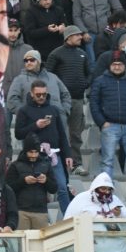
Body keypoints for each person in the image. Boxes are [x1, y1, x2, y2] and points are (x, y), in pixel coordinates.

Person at [90, 51, 126, 201]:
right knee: (107, 160)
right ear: (110, 65)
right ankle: (105, 191)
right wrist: (102, 123)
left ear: (124, 65)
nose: (117, 66)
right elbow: (94, 103)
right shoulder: (101, 81)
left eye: (120, 64)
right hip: (110, 126)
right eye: (114, 64)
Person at [15, 79, 72, 213]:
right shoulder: (24, 110)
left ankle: (68, 217)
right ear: (31, 94)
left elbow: (62, 134)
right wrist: (35, 126)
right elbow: (18, 133)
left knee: (62, 187)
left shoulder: (54, 109)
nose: (41, 97)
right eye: (38, 94)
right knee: (38, 188)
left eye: (44, 94)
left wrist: (68, 154)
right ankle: (41, 217)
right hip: (35, 156)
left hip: (53, 155)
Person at [45, 25, 91, 176]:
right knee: (61, 133)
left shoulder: (82, 53)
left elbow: (89, 73)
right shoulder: (56, 54)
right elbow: (47, 77)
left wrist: (85, 84)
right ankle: (59, 162)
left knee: (76, 134)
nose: (80, 37)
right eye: (77, 35)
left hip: (78, 99)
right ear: (68, 37)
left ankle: (77, 164)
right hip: (60, 102)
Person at [64, 172, 126, 252]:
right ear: (95, 188)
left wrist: (119, 214)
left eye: (109, 189)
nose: (106, 192)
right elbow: (67, 223)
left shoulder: (115, 200)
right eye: (103, 189)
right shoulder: (81, 199)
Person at [6, 133, 57, 230]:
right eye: (30, 152)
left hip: (41, 212)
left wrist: (46, 180)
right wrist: (23, 181)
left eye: (36, 152)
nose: (33, 155)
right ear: (25, 151)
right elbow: (8, 188)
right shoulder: (15, 165)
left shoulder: (46, 165)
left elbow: (54, 188)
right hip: (21, 211)